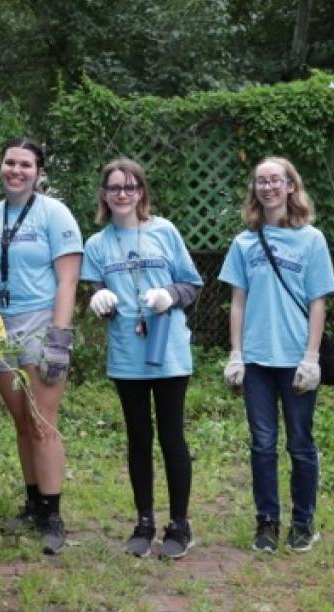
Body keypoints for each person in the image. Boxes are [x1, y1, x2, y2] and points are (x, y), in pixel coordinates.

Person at [81, 158, 203, 559]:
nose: (122, 194)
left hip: (167, 350)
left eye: (130, 187)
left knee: (171, 436)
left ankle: (180, 525)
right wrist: (99, 299)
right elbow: (97, 293)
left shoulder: (164, 231)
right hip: (127, 353)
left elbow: (192, 283)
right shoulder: (97, 245)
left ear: (141, 192)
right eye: (115, 187)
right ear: (104, 194)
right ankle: (144, 521)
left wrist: (170, 295)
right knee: (138, 438)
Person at [218, 156, 334, 554]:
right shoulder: (244, 242)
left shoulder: (312, 239)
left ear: (291, 186)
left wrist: (312, 357)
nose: (267, 187)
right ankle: (266, 522)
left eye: (275, 180)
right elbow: (238, 300)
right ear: (255, 189)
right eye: (260, 181)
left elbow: (318, 303)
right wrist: (235, 353)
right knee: (262, 444)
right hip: (256, 361)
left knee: (300, 444)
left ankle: (303, 523)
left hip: (295, 359)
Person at [0, 138, 83, 555]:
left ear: (38, 172)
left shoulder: (54, 214)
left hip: (40, 323)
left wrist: (59, 336)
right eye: (9, 163)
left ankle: (53, 515)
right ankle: (33, 502)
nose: (15, 171)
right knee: (21, 420)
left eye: (25, 165)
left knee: (42, 421)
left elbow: (68, 280)